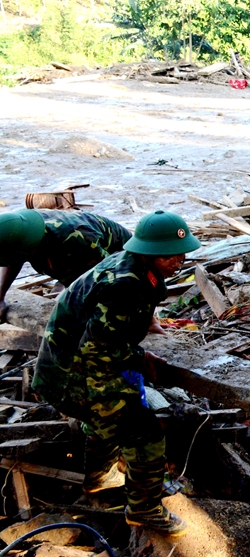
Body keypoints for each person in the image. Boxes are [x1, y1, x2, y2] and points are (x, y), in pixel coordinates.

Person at [31, 210, 201, 535]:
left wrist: (145, 335)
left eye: (182, 253)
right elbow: (96, 350)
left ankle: (98, 477)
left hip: (68, 366)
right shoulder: (125, 284)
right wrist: (140, 358)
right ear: (149, 251)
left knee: (108, 417)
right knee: (143, 431)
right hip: (70, 375)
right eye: (171, 255)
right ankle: (144, 509)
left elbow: (132, 317)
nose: (179, 260)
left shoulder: (140, 268)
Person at [0, 210, 132, 322]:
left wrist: (66, 297)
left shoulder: (78, 240)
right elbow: (14, 258)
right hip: (73, 256)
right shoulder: (16, 228)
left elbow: (109, 276)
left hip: (119, 256)